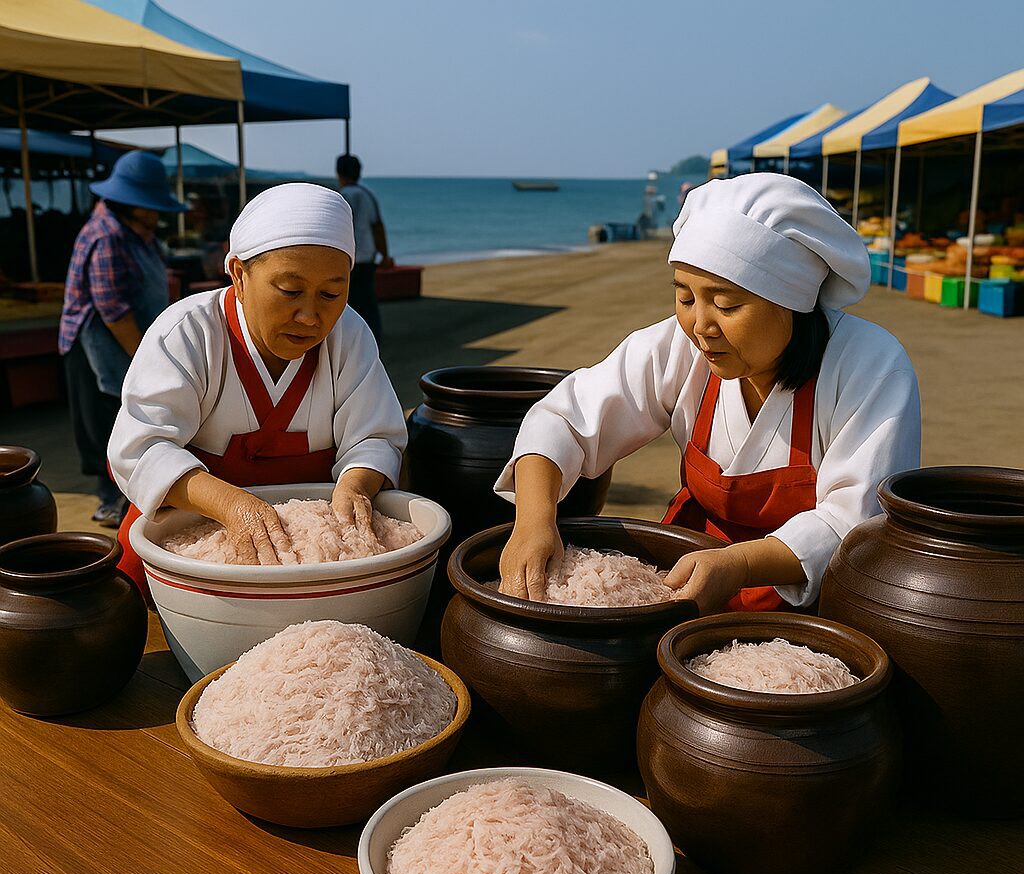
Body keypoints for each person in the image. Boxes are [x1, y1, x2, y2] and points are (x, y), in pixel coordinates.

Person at [496, 174, 921, 613]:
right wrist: (532, 520)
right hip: (685, 578)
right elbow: (565, 418)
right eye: (685, 298)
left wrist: (738, 564)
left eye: (726, 305)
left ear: (792, 300)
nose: (701, 326)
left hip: (812, 605)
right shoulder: (680, 348)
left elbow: (858, 523)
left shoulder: (869, 365)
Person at [109, 182, 406, 597]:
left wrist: (356, 483)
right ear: (239, 274)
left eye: (331, 293)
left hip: (303, 561)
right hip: (184, 543)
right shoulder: (189, 333)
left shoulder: (349, 335)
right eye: (290, 291)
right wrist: (232, 505)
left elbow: (375, 435)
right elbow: (140, 448)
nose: (310, 316)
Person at [59, 150, 187, 527]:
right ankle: (110, 500)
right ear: (134, 203)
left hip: (132, 342)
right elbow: (112, 311)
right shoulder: (107, 235)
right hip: (99, 347)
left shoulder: (137, 233)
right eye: (152, 207)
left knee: (134, 414)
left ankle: (128, 491)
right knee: (108, 422)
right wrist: (147, 357)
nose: (157, 214)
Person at [336, 154, 392, 342]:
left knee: (345, 302)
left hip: (348, 258)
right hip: (367, 257)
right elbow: (378, 226)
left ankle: (349, 340)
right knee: (368, 301)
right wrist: (385, 255)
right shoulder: (368, 195)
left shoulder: (342, 197)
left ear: (339, 173)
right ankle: (373, 336)